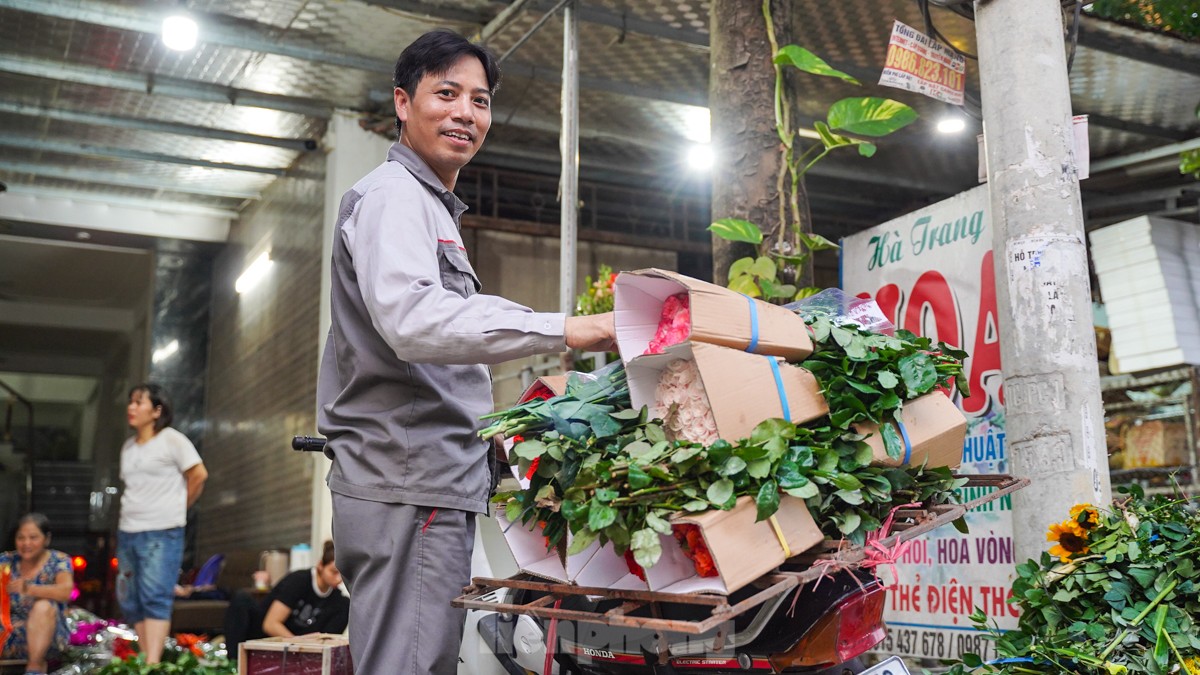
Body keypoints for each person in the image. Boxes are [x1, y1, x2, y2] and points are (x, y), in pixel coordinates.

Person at [316, 29, 615, 674]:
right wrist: (565, 329)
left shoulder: (428, 206)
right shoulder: (394, 196)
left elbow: (447, 327)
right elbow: (416, 323)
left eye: (479, 101)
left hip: (423, 477)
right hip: (408, 475)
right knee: (411, 664)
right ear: (402, 101)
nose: (465, 114)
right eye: (445, 93)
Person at [117, 383, 208, 664]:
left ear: (157, 411)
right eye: (130, 402)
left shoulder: (172, 439)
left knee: (155, 595)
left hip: (162, 531)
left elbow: (199, 475)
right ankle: (147, 660)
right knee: (131, 599)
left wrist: (178, 509)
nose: (131, 408)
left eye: (138, 402)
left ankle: (153, 664)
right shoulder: (128, 446)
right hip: (128, 530)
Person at [222, 540, 348, 655]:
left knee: (347, 606)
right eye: (333, 572)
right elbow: (270, 624)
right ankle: (234, 661)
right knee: (241, 599)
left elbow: (326, 639)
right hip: (263, 636)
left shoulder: (338, 601)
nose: (338, 579)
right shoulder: (299, 580)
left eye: (342, 574)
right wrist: (299, 645)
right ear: (321, 565)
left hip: (297, 646)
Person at [1, 513, 74, 675]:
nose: (26, 543)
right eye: (21, 538)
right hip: (10, 630)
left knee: (43, 606)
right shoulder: (6, 561)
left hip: (49, 632)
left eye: (33, 537)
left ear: (46, 539)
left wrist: (29, 589)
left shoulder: (59, 560)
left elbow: (66, 592)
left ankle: (34, 668)